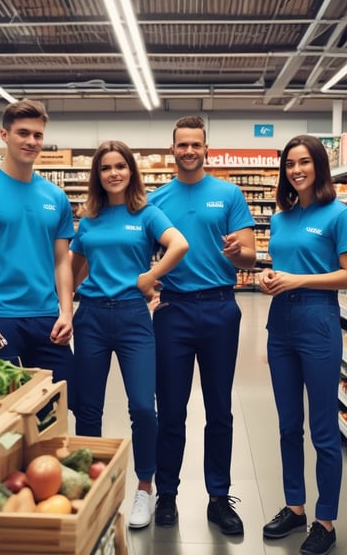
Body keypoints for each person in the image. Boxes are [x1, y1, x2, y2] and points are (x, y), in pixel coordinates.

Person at [69, 140, 188, 529]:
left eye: (120, 166)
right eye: (106, 168)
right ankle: (92, 487)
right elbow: (72, 268)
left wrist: (151, 277)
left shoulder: (147, 213)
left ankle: (144, 489)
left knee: (142, 406)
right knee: (89, 408)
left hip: (134, 317)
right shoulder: (88, 219)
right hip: (91, 318)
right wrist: (63, 307)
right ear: (98, 176)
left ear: (131, 172)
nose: (114, 173)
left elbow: (179, 244)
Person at [149, 116, 256, 534]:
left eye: (196, 144)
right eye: (182, 145)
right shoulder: (156, 199)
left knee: (220, 408)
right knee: (170, 409)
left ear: (205, 148)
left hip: (219, 308)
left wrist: (237, 253)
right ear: (172, 149)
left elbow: (248, 256)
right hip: (172, 312)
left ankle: (218, 497)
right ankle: (167, 494)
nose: (189, 151)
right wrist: (149, 283)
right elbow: (143, 255)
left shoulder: (229, 194)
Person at [259, 134, 347, 555]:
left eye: (304, 162)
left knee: (322, 429)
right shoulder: (281, 218)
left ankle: (326, 520)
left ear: (318, 165)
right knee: (286, 425)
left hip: (318, 320)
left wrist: (300, 280)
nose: (295, 170)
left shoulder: (339, 215)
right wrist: (269, 276)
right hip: (280, 323)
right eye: (289, 164)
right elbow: (281, 265)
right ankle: (295, 507)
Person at [0, 99, 75, 394]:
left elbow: (61, 261)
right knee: (4, 417)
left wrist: (66, 312)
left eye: (38, 135)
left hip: (48, 321)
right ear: (4, 135)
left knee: (54, 409)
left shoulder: (56, 197)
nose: (31, 141)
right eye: (23, 133)